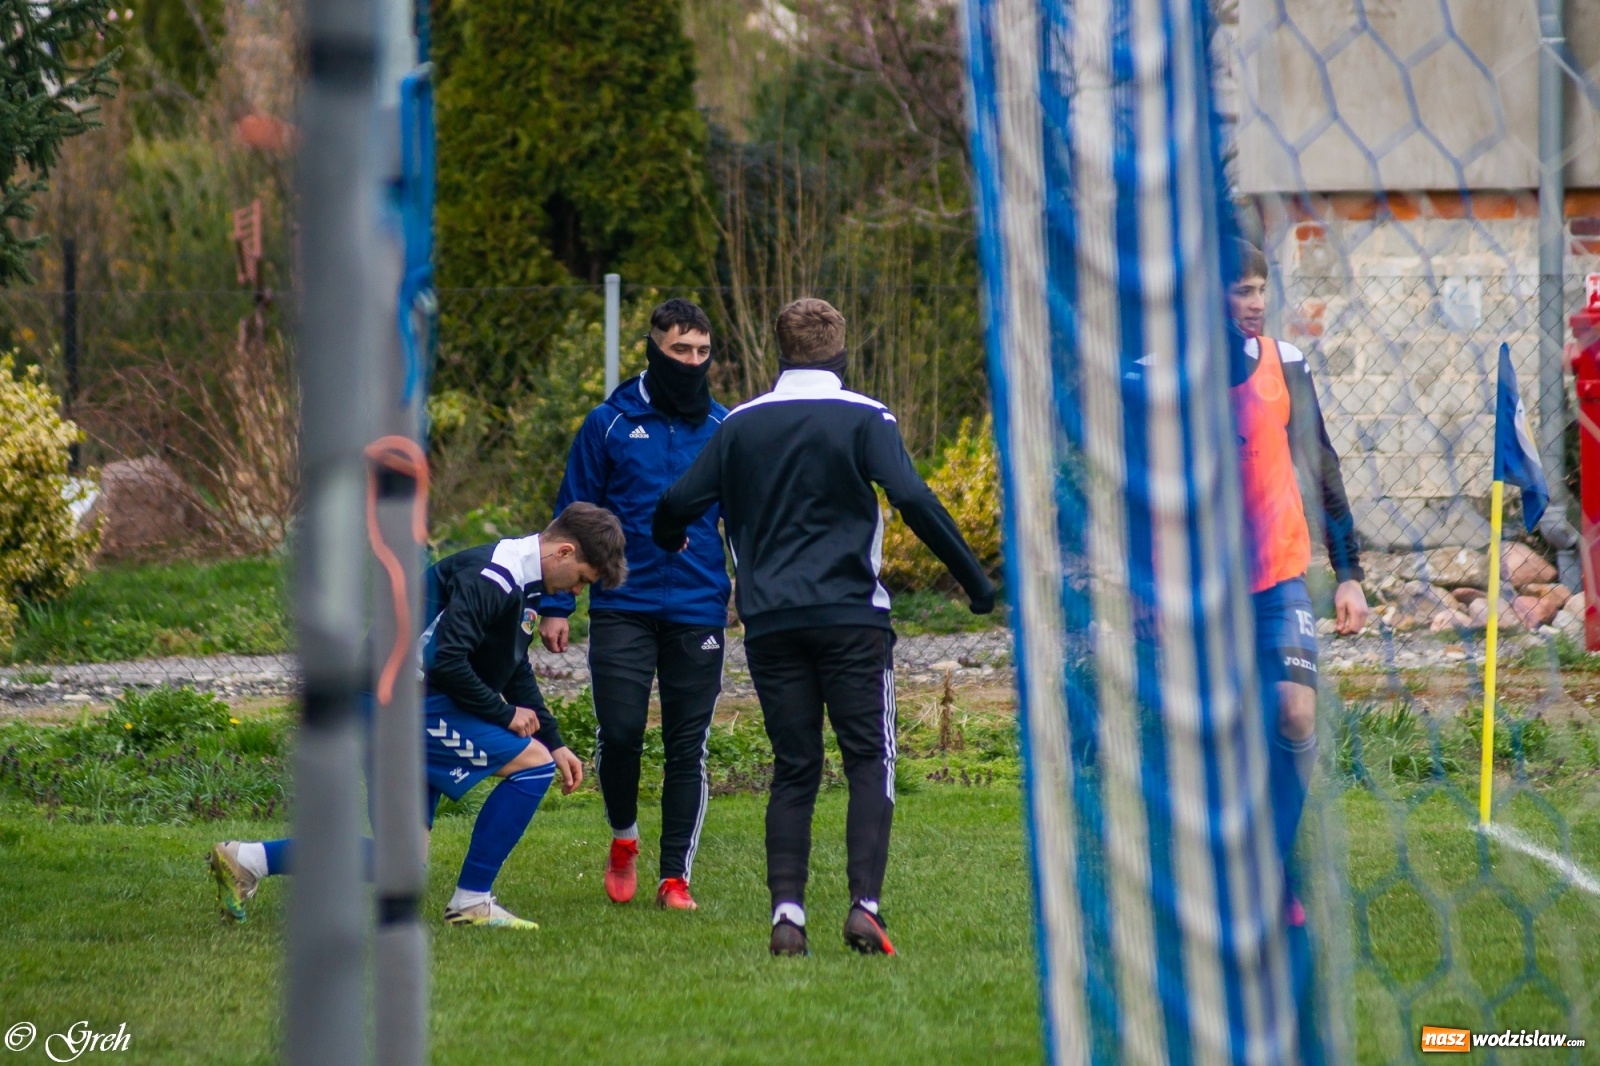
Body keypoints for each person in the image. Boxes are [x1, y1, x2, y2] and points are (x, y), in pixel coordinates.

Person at [652, 298, 995, 957]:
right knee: (870, 759)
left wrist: (668, 538)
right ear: (842, 352)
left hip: (772, 622)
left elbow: (677, 503)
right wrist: (975, 581)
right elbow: (914, 497)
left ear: (779, 351)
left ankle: (788, 916)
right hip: (851, 618)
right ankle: (864, 907)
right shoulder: (865, 416)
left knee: (795, 767)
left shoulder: (739, 426)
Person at [208, 502, 627, 930]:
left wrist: (554, 739)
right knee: (532, 767)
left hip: (398, 700)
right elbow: (447, 662)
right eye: (581, 580)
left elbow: (511, 665)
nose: (576, 593)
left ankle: (247, 860)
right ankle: (472, 902)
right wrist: (504, 715)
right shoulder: (495, 578)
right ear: (563, 552)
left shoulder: (523, 579)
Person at [539, 298, 731, 912]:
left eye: (702, 352)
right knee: (620, 732)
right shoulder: (609, 423)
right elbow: (571, 519)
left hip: (700, 606)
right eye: (681, 351)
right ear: (654, 348)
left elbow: (747, 523)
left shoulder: (726, 428)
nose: (692, 362)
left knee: (686, 743)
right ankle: (624, 838)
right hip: (623, 601)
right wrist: (556, 605)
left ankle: (675, 876)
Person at [1226, 240, 1368, 916]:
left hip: (1282, 573)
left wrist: (1349, 574)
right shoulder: (1166, 374)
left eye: (1260, 290)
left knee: (1296, 708)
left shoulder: (1287, 364)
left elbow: (1322, 467)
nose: (1254, 304)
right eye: (1240, 291)